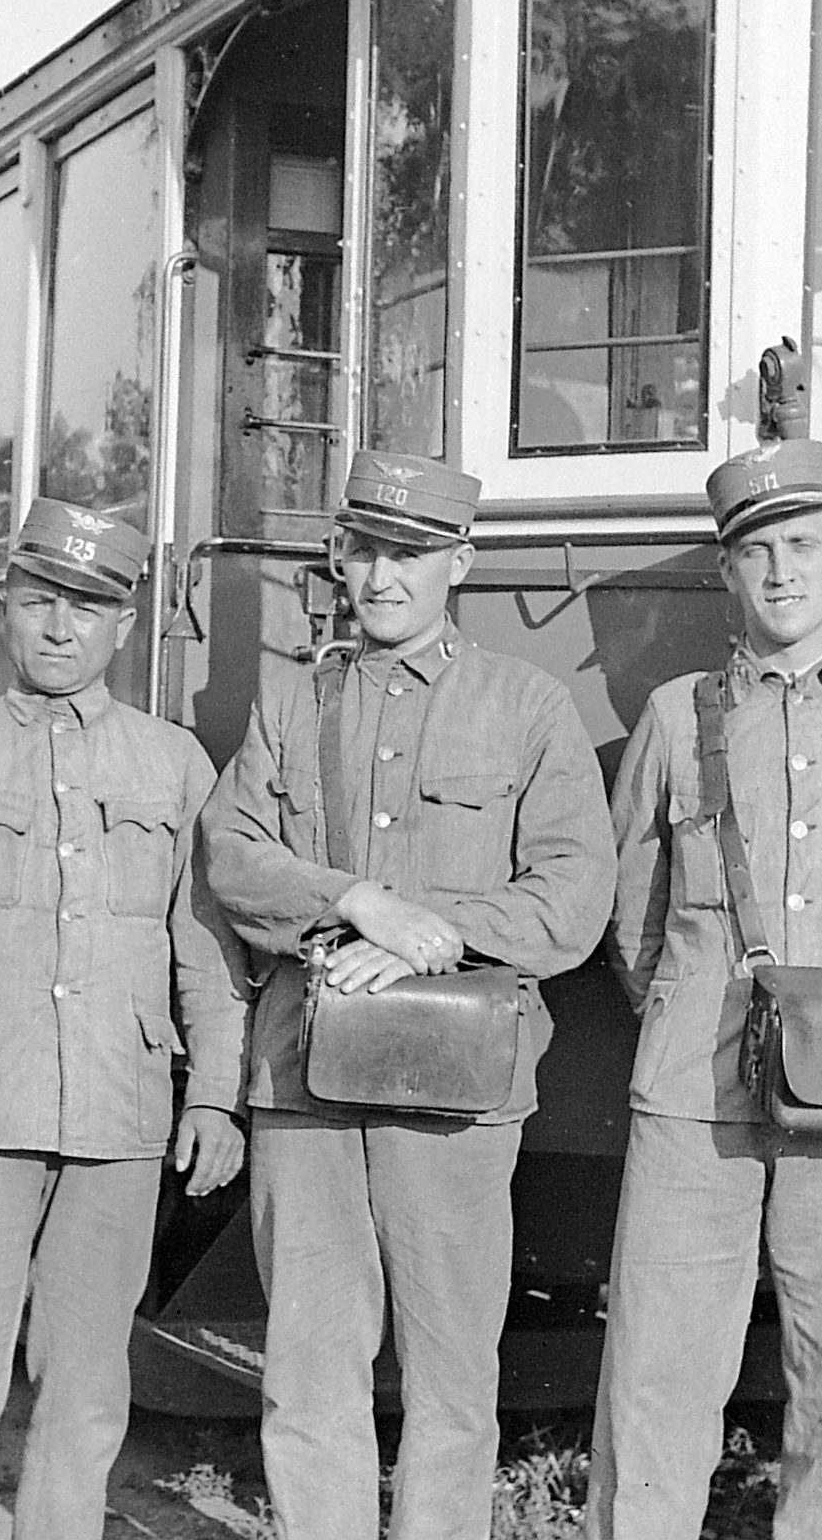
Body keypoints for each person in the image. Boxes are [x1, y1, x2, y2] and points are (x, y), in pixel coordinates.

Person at [201, 450, 616, 1540]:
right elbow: (232, 854)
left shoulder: (526, 707)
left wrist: (432, 935)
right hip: (305, 1076)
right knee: (307, 1368)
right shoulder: (294, 702)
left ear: (460, 565)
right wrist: (357, 900)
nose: (383, 576)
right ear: (341, 558)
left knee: (449, 1376)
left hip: (457, 1088)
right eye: (367, 550)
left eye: (412, 555)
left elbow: (574, 898)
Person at [586, 439, 822, 1540]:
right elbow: (636, 923)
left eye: (804, 545)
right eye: (755, 551)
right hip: (694, 1098)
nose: (781, 572)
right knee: (657, 1380)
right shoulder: (674, 718)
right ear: (725, 573)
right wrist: (711, 1019)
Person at [0, 498, 251, 1540]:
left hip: (115, 1122)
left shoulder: (173, 767)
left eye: (88, 607)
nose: (61, 628)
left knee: (84, 1398)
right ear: (0, 612)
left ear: (124, 626)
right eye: (38, 603)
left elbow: (205, 953)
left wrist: (212, 1094)